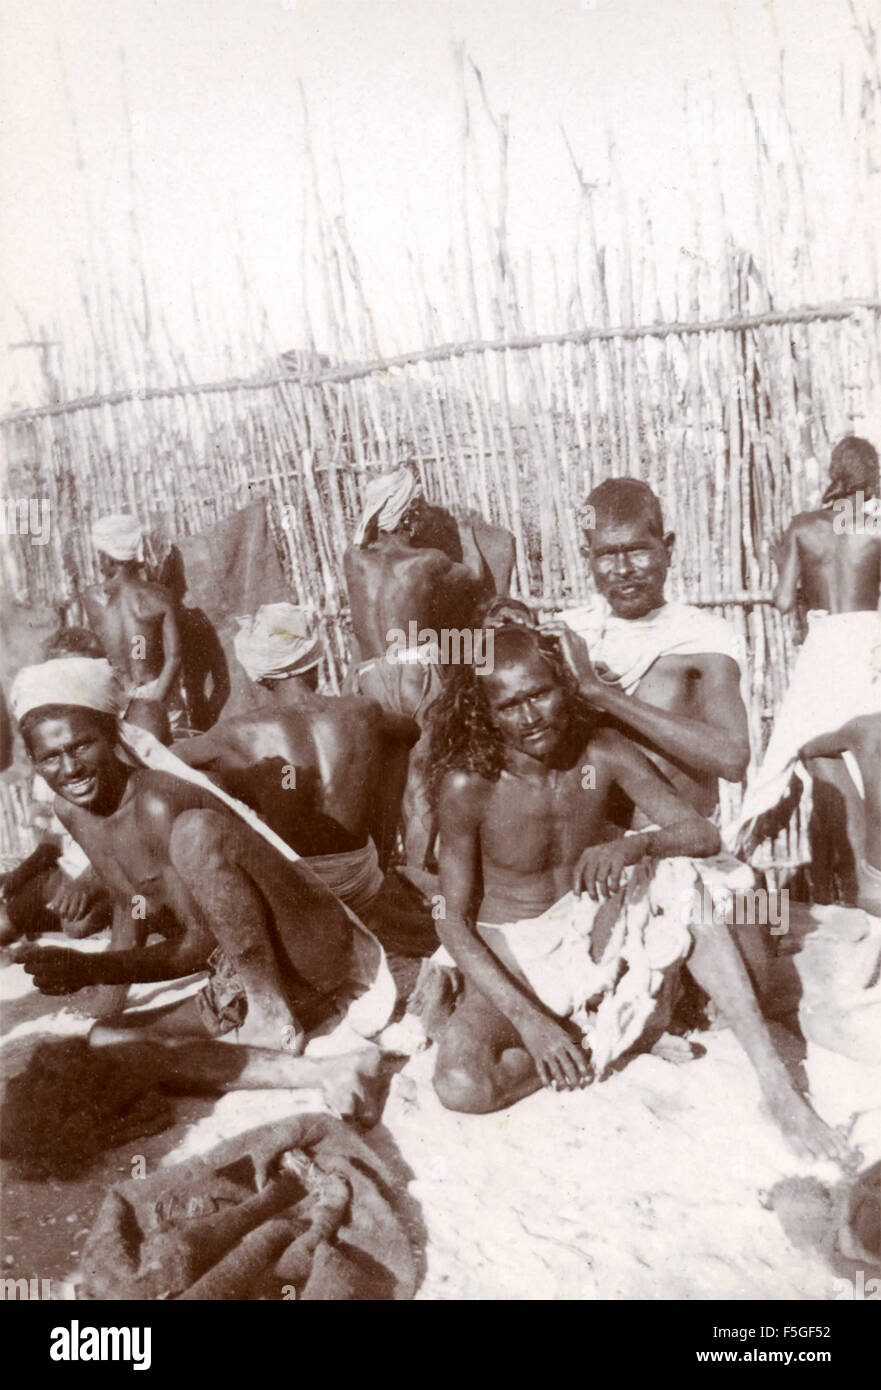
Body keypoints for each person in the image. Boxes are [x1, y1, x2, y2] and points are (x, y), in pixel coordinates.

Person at [426, 625, 848, 1162]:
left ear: (566, 686)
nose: (531, 717)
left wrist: (636, 846)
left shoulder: (599, 752)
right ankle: (600, 1031)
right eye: (510, 705)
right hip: (515, 956)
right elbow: (449, 918)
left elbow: (702, 834)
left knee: (679, 878)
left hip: (588, 929)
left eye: (541, 694)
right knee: (463, 1086)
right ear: (484, 714)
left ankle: (778, 1089)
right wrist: (532, 1025)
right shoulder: (468, 786)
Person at [10, 658, 395, 1078]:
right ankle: (339, 1072)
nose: (70, 769)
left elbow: (199, 943)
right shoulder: (73, 811)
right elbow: (131, 902)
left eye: (81, 746)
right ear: (32, 760)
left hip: (305, 954)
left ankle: (272, 1013)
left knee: (197, 831)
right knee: (106, 1038)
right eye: (50, 757)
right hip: (237, 977)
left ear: (112, 736)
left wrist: (92, 968)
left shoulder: (157, 802)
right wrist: (108, 993)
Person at [178, 604, 434, 951]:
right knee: (393, 742)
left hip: (297, 892)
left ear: (260, 674)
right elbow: (410, 731)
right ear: (313, 661)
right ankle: (385, 862)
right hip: (361, 878)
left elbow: (157, 758)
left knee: (217, 781)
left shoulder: (235, 733)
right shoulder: (361, 710)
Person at [551, 477, 750, 825]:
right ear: (588, 557)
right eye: (607, 555)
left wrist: (602, 694)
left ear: (667, 548)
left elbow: (732, 758)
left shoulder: (702, 635)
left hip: (677, 849)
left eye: (638, 550)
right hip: (590, 855)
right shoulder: (571, 632)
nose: (624, 570)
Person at [733, 437, 881, 902]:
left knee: (791, 749)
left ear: (835, 474)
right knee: (865, 752)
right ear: (873, 476)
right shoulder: (876, 528)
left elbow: (780, 600)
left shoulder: (804, 525)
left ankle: (737, 847)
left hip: (825, 645)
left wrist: (786, 567)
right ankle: (868, 877)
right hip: (869, 640)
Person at [83, 513, 182, 739]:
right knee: (177, 761)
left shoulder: (92, 598)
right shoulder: (159, 597)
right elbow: (174, 658)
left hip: (120, 697)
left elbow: (99, 652)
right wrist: (153, 705)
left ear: (108, 558)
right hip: (159, 693)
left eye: (100, 556)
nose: (99, 562)